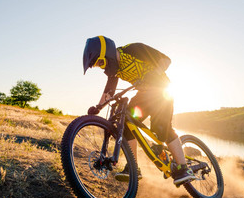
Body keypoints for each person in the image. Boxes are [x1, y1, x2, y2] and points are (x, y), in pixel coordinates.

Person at [83, 35, 195, 186]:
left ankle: (184, 168)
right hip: (144, 96)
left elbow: (166, 60)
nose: (102, 67)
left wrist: (153, 74)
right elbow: (109, 91)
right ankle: (133, 167)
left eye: (101, 62)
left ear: (108, 52)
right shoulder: (114, 70)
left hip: (162, 92)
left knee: (162, 128)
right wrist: (98, 107)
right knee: (126, 123)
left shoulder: (133, 50)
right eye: (98, 65)